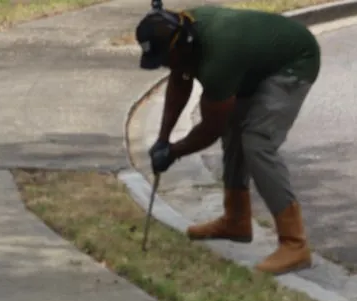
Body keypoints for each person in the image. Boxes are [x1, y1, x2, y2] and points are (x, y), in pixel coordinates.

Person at [135, 4, 320, 275]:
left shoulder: (218, 58)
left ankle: (295, 244)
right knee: (234, 131)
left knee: (257, 142)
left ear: (182, 46)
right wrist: (163, 139)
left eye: (166, 58)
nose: (165, 65)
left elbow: (211, 128)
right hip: (253, 64)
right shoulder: (185, 34)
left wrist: (173, 152)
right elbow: (180, 80)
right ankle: (236, 220)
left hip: (293, 62)